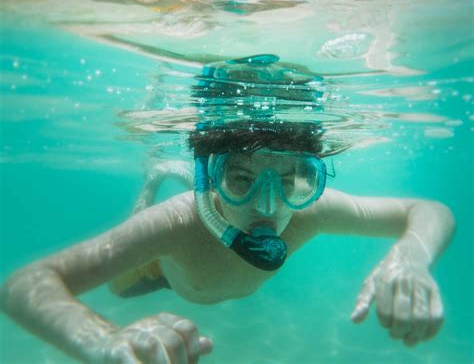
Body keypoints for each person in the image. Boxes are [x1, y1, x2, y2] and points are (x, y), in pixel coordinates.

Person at [0, 62, 456, 364]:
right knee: (119, 290)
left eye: (293, 178)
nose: (269, 205)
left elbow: (428, 210)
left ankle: (186, 172)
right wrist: (105, 341)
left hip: (195, 272)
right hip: (157, 271)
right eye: (240, 178)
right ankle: (156, 179)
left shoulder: (310, 211)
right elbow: (25, 284)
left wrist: (410, 256)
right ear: (209, 180)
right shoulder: (177, 224)